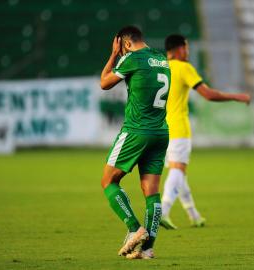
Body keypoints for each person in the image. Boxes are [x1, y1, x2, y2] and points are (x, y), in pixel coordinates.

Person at [160, 34, 251, 230]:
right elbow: (208, 95)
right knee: (178, 170)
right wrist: (236, 97)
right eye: (186, 48)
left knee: (179, 173)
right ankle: (164, 211)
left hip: (161, 129)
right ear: (177, 50)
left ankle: (194, 215)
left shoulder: (159, 67)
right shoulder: (184, 68)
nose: (188, 52)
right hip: (178, 129)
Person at [99, 26, 171, 259]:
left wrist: (113, 55)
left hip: (136, 131)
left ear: (125, 44)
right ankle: (148, 249)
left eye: (121, 48)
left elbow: (104, 83)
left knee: (109, 181)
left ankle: (133, 228)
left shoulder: (132, 57)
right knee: (151, 192)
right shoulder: (161, 59)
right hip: (160, 132)